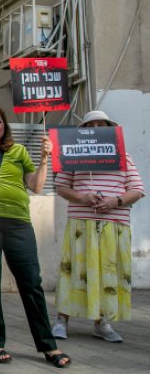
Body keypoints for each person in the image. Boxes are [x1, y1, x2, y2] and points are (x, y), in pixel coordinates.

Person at [0, 104, 70, 368]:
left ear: (5, 126)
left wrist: (44, 158)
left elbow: (35, 186)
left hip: (18, 224)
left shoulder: (19, 151)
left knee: (31, 282)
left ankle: (48, 345)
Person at [52, 110, 144, 342]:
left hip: (114, 225)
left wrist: (116, 201)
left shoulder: (124, 156)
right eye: (90, 125)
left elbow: (137, 189)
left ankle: (102, 322)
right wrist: (83, 197)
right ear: (83, 132)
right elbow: (61, 187)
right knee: (72, 271)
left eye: (101, 125)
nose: (96, 129)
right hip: (81, 224)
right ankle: (62, 320)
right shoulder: (71, 154)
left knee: (108, 275)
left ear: (109, 128)